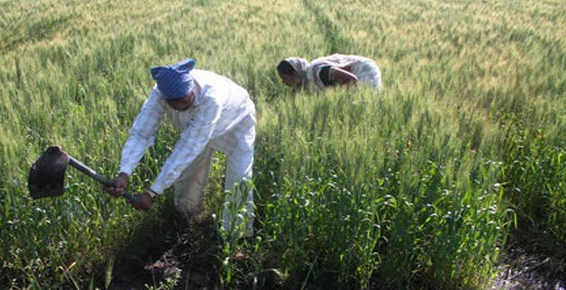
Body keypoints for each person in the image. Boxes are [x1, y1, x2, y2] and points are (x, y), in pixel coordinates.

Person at [106, 58, 256, 238]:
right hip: (197, 128)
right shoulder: (159, 94)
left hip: (236, 121)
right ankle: (185, 217)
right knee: (188, 172)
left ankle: (236, 235)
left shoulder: (211, 98)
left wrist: (152, 192)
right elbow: (141, 133)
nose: (179, 106)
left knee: (239, 177)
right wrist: (124, 172)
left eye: (184, 100)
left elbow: (188, 147)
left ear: (191, 88)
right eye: (174, 103)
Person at [277, 54, 382, 92]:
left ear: (295, 74)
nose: (283, 82)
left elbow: (352, 79)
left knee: (366, 102)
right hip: (357, 73)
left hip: (364, 71)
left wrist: (350, 97)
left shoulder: (319, 72)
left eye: (284, 78)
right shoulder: (305, 82)